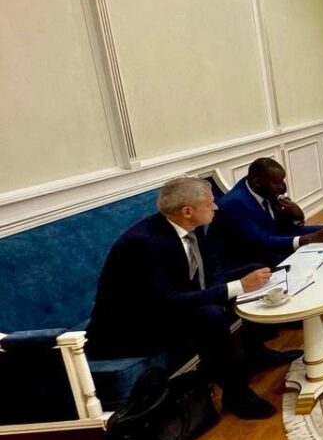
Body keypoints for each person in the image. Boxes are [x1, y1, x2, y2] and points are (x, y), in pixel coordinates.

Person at [86, 177, 300, 420]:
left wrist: (239, 284)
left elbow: (212, 269)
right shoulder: (143, 243)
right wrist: (236, 287)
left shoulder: (190, 227)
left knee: (255, 270)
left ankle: (256, 352)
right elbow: (165, 300)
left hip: (169, 304)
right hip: (132, 328)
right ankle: (236, 394)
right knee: (209, 315)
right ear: (187, 211)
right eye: (210, 204)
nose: (216, 207)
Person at [211, 158, 323, 268]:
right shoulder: (234, 204)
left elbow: (283, 229)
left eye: (283, 180)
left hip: (270, 248)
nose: (283, 188)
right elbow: (263, 240)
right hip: (251, 262)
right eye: (277, 182)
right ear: (257, 182)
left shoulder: (264, 190)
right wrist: (308, 238)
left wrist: (298, 216)